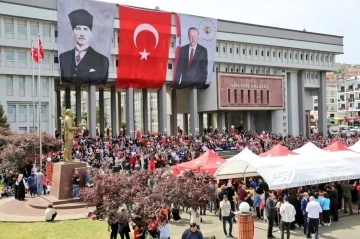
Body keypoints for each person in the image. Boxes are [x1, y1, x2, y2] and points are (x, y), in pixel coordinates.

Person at [60, 9, 109, 85]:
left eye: (85, 29)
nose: (82, 34)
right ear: (73, 33)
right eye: (78, 29)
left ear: (91, 33)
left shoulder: (102, 60)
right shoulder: (63, 57)